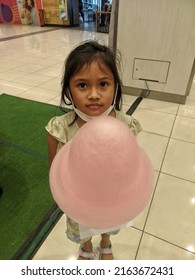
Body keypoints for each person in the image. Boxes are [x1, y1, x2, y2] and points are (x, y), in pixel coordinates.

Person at [45, 40, 142, 260]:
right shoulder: (59, 129)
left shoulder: (126, 126)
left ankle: (106, 242)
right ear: (68, 88)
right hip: (78, 199)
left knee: (108, 221)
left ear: (115, 86)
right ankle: (86, 247)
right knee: (83, 226)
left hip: (113, 196)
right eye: (82, 85)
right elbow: (55, 172)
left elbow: (131, 166)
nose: (94, 94)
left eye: (103, 84)